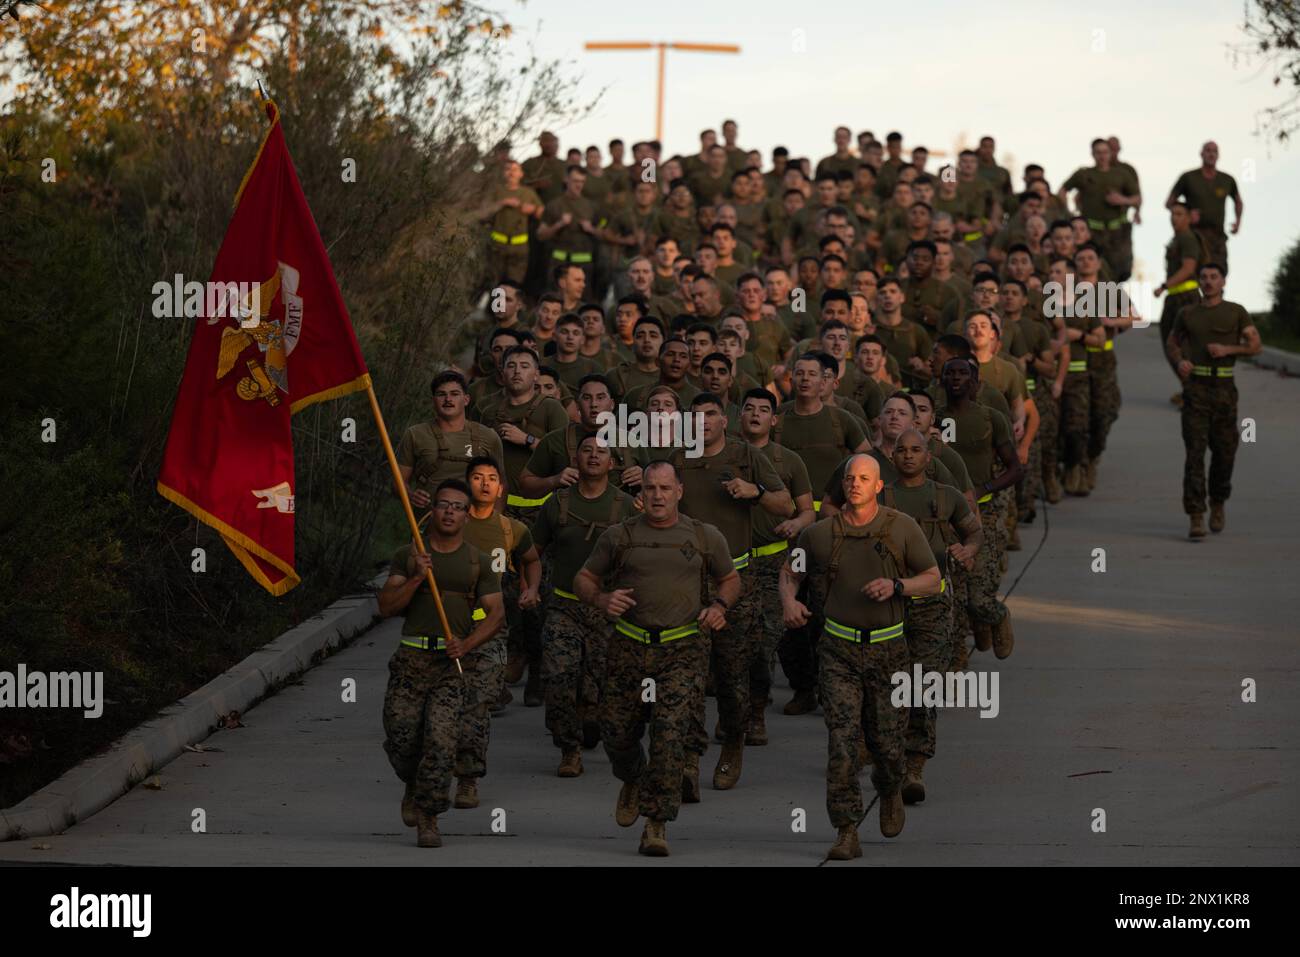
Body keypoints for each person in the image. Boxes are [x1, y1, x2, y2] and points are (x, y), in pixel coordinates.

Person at [573, 460, 740, 857]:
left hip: (682, 649)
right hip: (629, 646)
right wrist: (600, 599)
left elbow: (730, 579)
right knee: (615, 732)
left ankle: (656, 823)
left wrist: (719, 606)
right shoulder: (620, 536)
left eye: (665, 488)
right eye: (650, 488)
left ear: (679, 491)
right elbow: (584, 578)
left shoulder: (704, 536)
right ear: (640, 493)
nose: (658, 496)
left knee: (670, 734)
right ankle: (632, 778)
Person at [780, 454, 942, 860]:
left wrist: (898, 586)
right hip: (837, 650)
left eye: (864, 478)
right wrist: (788, 602)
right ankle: (846, 828)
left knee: (887, 745)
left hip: (888, 650)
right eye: (850, 477)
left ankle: (889, 789)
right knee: (842, 741)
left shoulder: (900, 528)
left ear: (878, 486)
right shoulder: (819, 534)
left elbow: (933, 579)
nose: (854, 484)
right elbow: (790, 573)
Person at [672, 393, 792, 791]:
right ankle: (689, 760)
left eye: (709, 415)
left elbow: (785, 505)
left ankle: (733, 746)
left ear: (725, 420)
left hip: (735, 581)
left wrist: (754, 491)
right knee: (687, 678)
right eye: (695, 416)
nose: (702, 422)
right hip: (685, 583)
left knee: (731, 676)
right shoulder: (676, 460)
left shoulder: (746, 457)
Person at [378, 479, 506, 848]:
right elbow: (387, 606)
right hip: (410, 660)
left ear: (467, 516)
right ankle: (413, 784)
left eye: (458, 507)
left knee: (440, 739)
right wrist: (418, 577)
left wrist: (467, 643)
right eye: (443, 505)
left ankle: (429, 816)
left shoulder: (477, 562)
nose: (450, 512)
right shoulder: (409, 554)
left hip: (451, 667)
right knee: (401, 737)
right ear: (431, 510)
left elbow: (495, 615)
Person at [530, 433, 638, 775]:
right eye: (586, 450)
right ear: (575, 459)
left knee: (607, 681)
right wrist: (530, 586)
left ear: (613, 463)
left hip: (609, 610)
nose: (593, 456)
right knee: (559, 676)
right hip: (563, 607)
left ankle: (592, 714)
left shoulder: (626, 506)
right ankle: (569, 748)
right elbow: (533, 552)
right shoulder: (557, 503)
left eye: (601, 452)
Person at [884, 428, 982, 803]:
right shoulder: (880, 496)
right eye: (901, 450)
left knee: (923, 683)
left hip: (932, 604)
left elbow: (974, 533)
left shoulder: (946, 496)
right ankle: (879, 749)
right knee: (884, 684)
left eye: (916, 450)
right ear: (892, 456)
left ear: (929, 457)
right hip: (885, 604)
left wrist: (967, 550)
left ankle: (914, 765)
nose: (908, 456)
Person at [737, 388, 818, 746]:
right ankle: (733, 712)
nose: (755, 414)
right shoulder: (724, 455)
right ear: (738, 416)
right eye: (748, 408)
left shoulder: (788, 461)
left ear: (774, 419)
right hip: (729, 562)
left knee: (763, 642)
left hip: (772, 561)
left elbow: (806, 510)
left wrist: (796, 525)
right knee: (727, 644)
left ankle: (755, 713)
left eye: (763, 410)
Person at [458, 456, 540, 796]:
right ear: (467, 484)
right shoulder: (448, 522)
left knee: (478, 705)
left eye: (492, 478)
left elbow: (532, 561)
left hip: (492, 628)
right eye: (477, 477)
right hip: (447, 626)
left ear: (501, 487)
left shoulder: (512, 529)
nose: (485, 483)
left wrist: (531, 588)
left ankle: (467, 778)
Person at [1165, 263, 1260, 538]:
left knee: (1225, 452)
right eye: (1204, 278)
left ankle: (1218, 502)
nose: (1208, 282)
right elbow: (1172, 343)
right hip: (1196, 389)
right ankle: (1196, 515)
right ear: (1198, 282)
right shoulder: (1187, 313)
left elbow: (1256, 346)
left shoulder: (1236, 312)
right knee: (1194, 453)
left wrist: (1228, 349)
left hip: (1224, 389)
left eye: (1213, 277)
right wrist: (1180, 360)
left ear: (1223, 281)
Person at [939, 357, 1022, 659]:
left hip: (982, 515)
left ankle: (995, 615)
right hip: (945, 518)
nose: (957, 378)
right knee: (953, 596)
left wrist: (983, 489)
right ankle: (957, 658)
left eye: (963, 373)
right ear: (943, 380)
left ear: (975, 381)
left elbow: (1015, 469)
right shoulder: (935, 420)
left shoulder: (991, 418)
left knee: (978, 596)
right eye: (951, 373)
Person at [397, 370, 506, 513]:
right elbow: (398, 482)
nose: (448, 399)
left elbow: (501, 485)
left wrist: (494, 522)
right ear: (433, 400)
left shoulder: (488, 436)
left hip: (474, 524)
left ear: (466, 399)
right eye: (441, 394)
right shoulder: (415, 434)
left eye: (454, 394)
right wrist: (410, 495)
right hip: (427, 522)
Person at [1059, 138, 1139, 282]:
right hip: (1092, 231)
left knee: (1120, 272)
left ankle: (1113, 301)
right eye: (1098, 152)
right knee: (1090, 266)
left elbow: (1137, 198)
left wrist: (1122, 200)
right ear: (1093, 154)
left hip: (1117, 232)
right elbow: (1063, 190)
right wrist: (1069, 213)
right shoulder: (1083, 174)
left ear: (1110, 153)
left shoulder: (1121, 174)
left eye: (1105, 152)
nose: (1102, 156)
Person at [1166, 141, 1242, 273]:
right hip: (1194, 235)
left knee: (1218, 274)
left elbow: (1238, 201)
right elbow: (1169, 203)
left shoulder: (1227, 180)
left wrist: (1237, 222)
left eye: (1214, 151)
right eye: (1208, 150)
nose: (1211, 154)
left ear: (1218, 155)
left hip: (1217, 237)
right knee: (1194, 273)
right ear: (1201, 153)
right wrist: (1187, 214)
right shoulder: (1188, 177)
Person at [1155, 202, 1206, 394]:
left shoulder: (1187, 238)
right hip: (1175, 297)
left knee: (1181, 346)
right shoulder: (1177, 239)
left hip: (1186, 297)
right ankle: (1188, 388)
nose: (1174, 217)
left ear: (1188, 217)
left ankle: (1192, 390)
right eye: (1172, 214)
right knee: (1171, 344)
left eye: (1179, 214)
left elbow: (1188, 268)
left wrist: (1164, 286)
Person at [483, 159, 542, 286]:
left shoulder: (528, 192)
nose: (511, 173)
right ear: (503, 173)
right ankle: (494, 306)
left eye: (515, 170)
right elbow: (483, 213)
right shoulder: (496, 191)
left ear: (521, 174)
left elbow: (541, 213)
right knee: (494, 284)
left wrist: (531, 209)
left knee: (514, 286)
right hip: (497, 247)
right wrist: (502, 203)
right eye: (507, 169)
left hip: (519, 249)